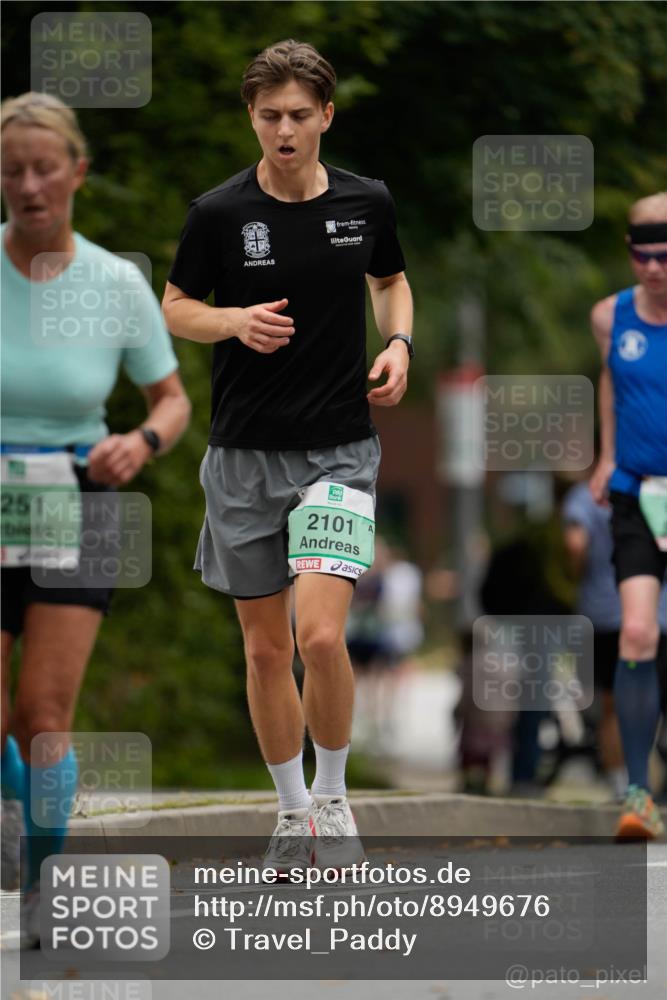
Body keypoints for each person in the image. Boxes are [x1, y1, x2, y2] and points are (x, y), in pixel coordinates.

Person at [162, 40, 412, 872]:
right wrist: (232, 321)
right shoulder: (218, 214)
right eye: (269, 116)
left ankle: (335, 801)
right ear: (252, 119)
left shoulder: (365, 202)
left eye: (299, 115)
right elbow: (175, 308)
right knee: (265, 650)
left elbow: (389, 281)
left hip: (338, 450)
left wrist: (399, 342)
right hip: (241, 456)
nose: (283, 130)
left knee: (318, 638)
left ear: (326, 117)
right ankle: (292, 811)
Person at [0, 93, 190, 942]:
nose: (29, 186)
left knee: (43, 713)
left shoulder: (116, 281)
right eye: (13, 171)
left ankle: (41, 885)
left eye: (45, 168)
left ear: (77, 172)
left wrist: (141, 442)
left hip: (79, 496)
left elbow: (173, 399)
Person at [589, 191, 667, 840]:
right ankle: (638, 793)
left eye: (664, 258)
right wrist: (606, 455)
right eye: (641, 256)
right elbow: (610, 381)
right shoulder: (608, 317)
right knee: (636, 635)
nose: (652, 269)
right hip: (634, 493)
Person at [562, 476, 667, 802]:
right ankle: (635, 785)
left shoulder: (587, 494)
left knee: (613, 706)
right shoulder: (657, 487)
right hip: (656, 614)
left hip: (606, 613)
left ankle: (626, 784)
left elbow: (575, 544)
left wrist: (577, 576)